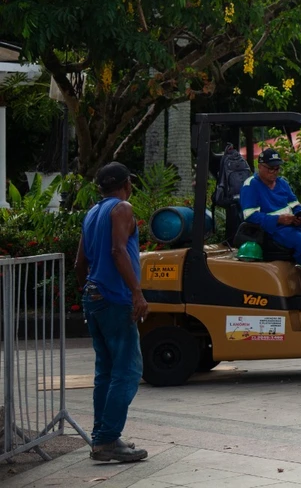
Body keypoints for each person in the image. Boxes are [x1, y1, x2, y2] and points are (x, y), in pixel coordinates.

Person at [74, 162, 148, 463]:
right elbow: (118, 251)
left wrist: (91, 290)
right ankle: (107, 439)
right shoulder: (122, 209)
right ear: (127, 184)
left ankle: (101, 439)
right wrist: (136, 292)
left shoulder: (92, 213)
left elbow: (80, 263)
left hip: (94, 297)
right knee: (128, 371)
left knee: (105, 371)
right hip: (115, 298)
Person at [238, 148, 301, 291]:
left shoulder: (282, 183)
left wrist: (299, 216)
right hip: (274, 227)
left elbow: (295, 204)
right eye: (271, 168)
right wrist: (279, 219)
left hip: (294, 223)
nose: (274, 172)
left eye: (277, 168)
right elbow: (250, 215)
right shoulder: (251, 185)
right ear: (260, 166)